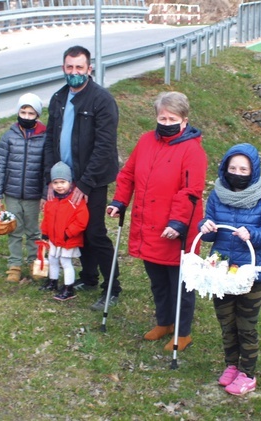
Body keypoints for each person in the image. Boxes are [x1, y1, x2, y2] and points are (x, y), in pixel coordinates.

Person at [107, 91, 206, 352]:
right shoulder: (146, 141)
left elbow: (190, 191)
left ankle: (183, 331)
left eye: (172, 118)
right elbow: (128, 174)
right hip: (148, 225)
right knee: (157, 280)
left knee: (181, 284)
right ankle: (164, 322)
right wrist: (119, 201)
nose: (166, 122)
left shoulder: (193, 151)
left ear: (184, 120)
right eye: (162, 117)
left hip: (177, 230)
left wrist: (177, 223)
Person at [42, 45, 121, 311]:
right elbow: (50, 142)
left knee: (95, 232)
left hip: (93, 180)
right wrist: (50, 180)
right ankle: (88, 278)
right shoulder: (58, 98)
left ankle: (112, 287)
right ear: (63, 68)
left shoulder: (102, 100)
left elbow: (105, 145)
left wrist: (86, 183)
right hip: (65, 180)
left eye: (79, 67)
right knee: (77, 231)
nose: (74, 72)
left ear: (89, 69)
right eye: (69, 67)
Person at [198, 143, 261, 396]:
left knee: (246, 324)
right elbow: (208, 230)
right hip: (221, 270)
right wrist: (205, 227)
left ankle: (248, 372)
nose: (237, 173)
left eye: (243, 169)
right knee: (226, 322)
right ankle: (231, 365)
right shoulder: (217, 194)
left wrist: (252, 234)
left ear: (253, 171)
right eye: (233, 168)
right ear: (225, 168)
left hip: (250, 273)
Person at [0, 93, 47, 282]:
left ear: (37, 115)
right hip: (12, 193)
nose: (26, 116)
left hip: (33, 193)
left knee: (32, 230)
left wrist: (45, 194)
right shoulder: (9, 136)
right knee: (14, 229)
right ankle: (14, 264)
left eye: (31, 113)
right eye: (23, 112)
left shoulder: (45, 137)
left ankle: (34, 261)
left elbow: (47, 168)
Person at [40, 161, 89, 301]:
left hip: (68, 239)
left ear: (70, 182)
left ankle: (69, 288)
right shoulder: (51, 200)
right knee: (53, 259)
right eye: (55, 183)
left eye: (63, 182)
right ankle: (52, 281)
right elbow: (47, 219)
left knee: (65, 262)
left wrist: (68, 233)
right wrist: (45, 233)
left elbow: (81, 221)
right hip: (54, 238)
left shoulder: (75, 201)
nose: (59, 186)